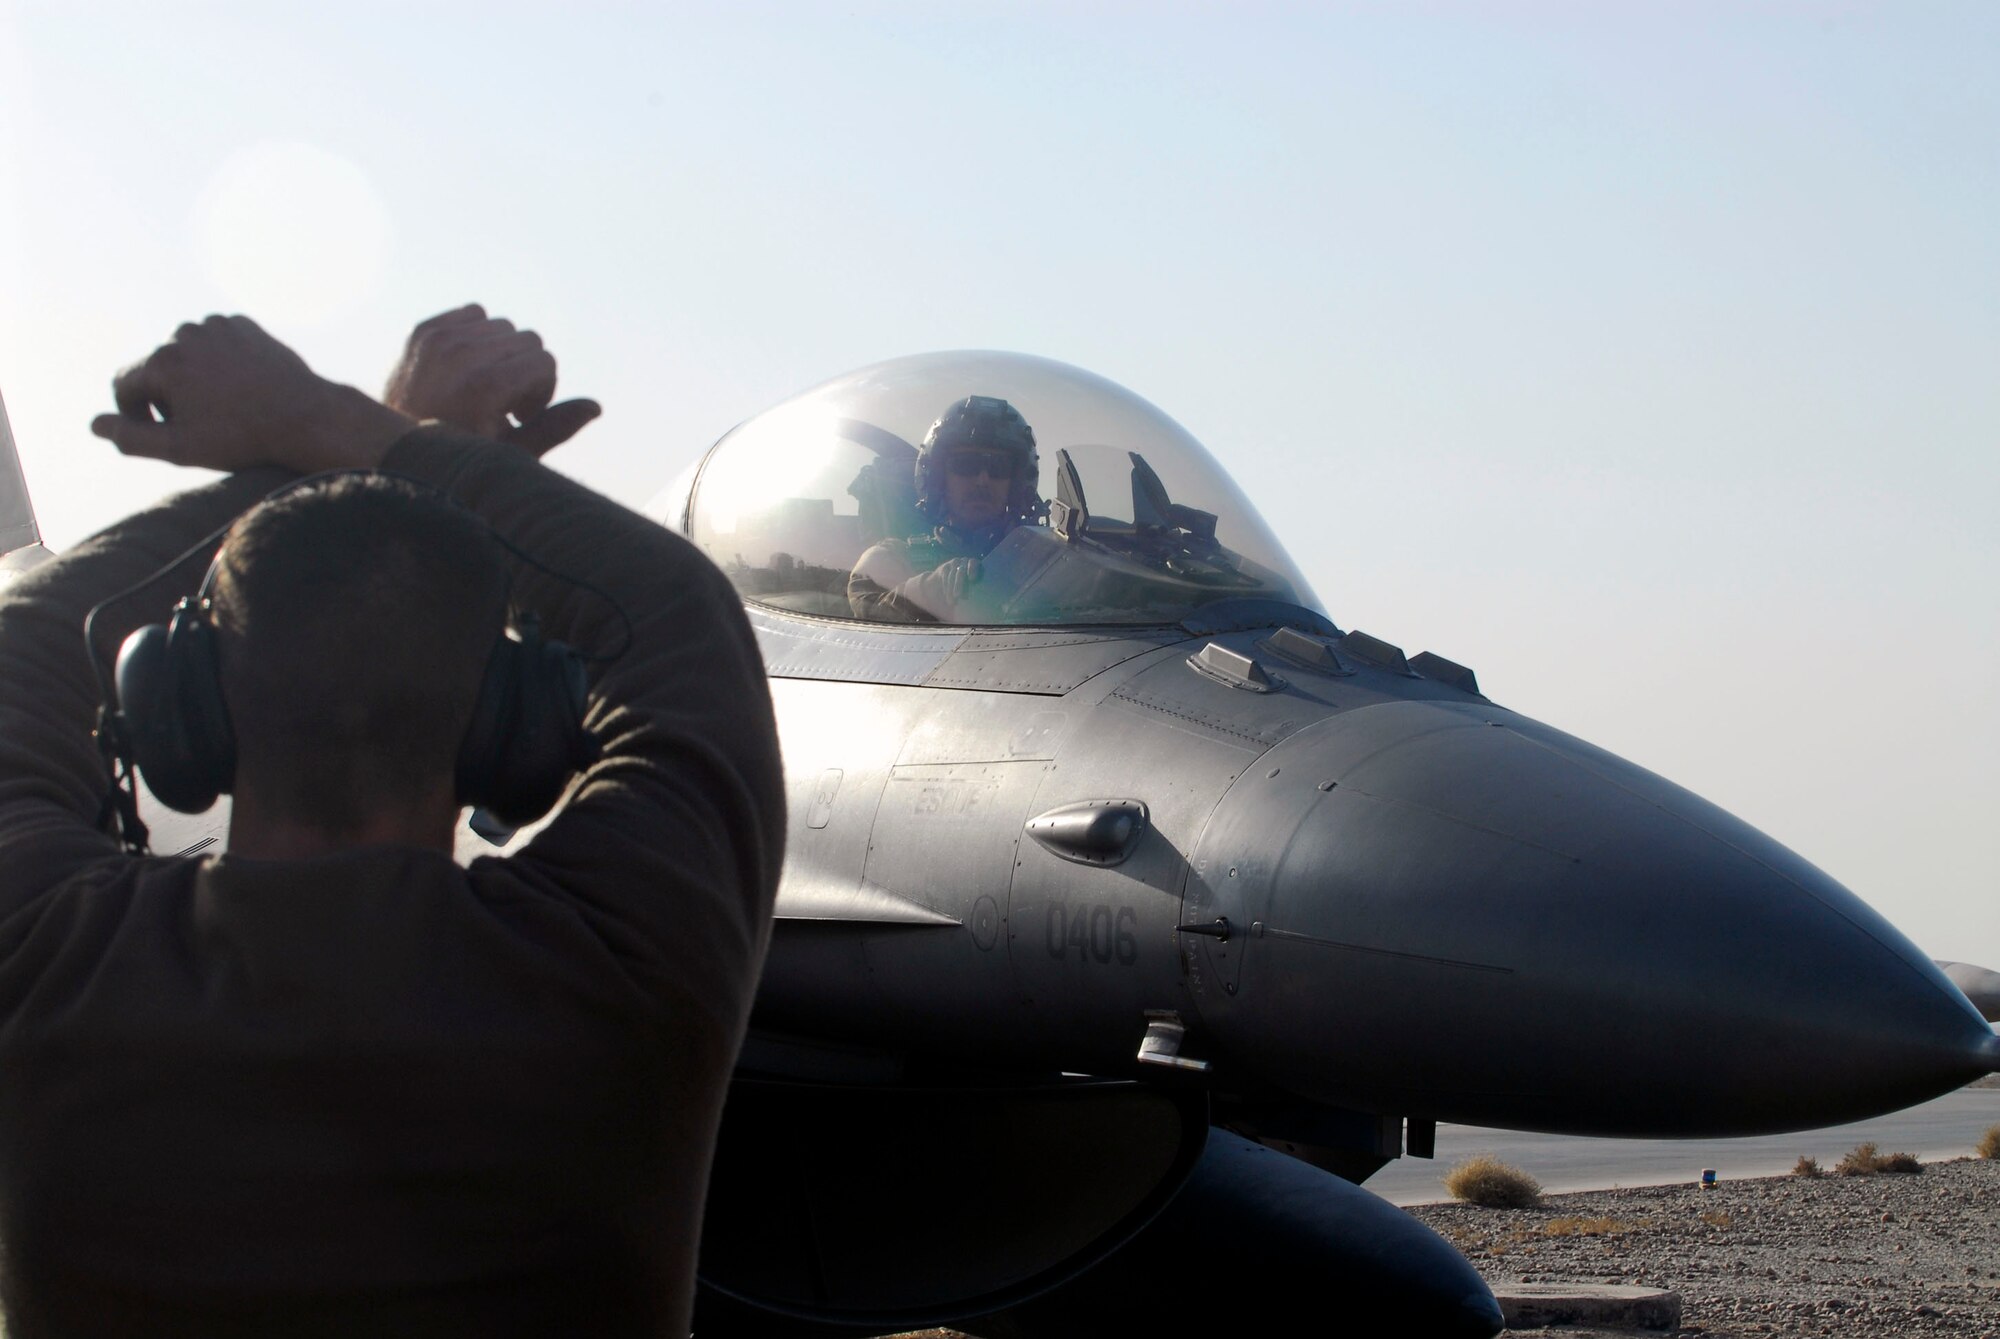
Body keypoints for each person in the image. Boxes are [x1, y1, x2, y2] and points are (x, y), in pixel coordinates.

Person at [0, 308, 783, 1337]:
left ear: (183, 705)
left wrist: (316, 446)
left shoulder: (42, 952)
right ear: (512, 728)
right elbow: (674, 609)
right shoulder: (623, 955)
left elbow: (32, 640)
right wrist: (346, 425)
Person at [847, 394, 1042, 622]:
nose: (982, 480)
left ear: (1016, 483)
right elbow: (868, 609)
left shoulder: (1042, 564)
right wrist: (932, 589)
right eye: (965, 464)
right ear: (939, 477)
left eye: (998, 467)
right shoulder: (892, 559)